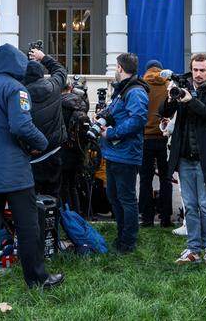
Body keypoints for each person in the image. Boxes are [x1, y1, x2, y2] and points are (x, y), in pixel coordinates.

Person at [0, 43, 63, 302]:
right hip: (13, 172)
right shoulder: (16, 89)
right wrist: (43, 143)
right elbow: (21, 126)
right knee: (29, 226)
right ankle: (37, 278)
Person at [160, 53, 206, 265]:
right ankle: (193, 248)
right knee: (189, 205)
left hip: (205, 157)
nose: (198, 74)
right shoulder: (182, 86)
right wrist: (170, 97)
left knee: (205, 204)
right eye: (195, 70)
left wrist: (191, 100)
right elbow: (163, 112)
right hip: (185, 157)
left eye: (202, 70)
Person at [99, 53, 148, 254]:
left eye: (115, 67)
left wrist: (111, 133)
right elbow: (118, 114)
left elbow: (138, 120)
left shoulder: (135, 91)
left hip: (126, 154)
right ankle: (122, 236)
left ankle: (128, 243)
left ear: (120, 68)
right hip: (115, 153)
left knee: (126, 199)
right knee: (114, 196)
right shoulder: (124, 90)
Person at [24, 48, 68, 200]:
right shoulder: (54, 86)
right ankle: (53, 222)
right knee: (53, 197)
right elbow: (60, 70)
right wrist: (43, 57)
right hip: (54, 151)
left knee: (30, 198)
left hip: (31, 154)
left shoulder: (19, 95)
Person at [139, 59, 173, 228]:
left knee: (145, 179)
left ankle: (147, 218)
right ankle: (165, 217)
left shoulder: (141, 85)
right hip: (163, 137)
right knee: (166, 179)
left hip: (145, 138)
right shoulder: (168, 86)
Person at [60, 81, 89, 214]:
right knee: (73, 185)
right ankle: (77, 216)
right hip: (78, 151)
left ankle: (68, 218)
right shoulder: (81, 103)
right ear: (71, 88)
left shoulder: (58, 104)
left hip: (64, 150)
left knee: (64, 186)